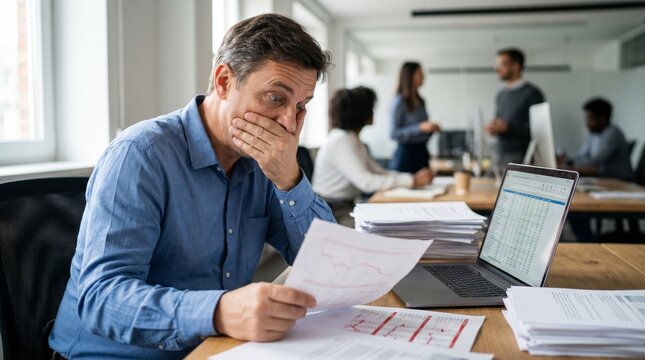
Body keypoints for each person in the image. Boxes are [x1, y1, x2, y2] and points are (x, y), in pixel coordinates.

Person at [48, 14, 334, 359]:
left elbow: (328, 267)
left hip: (214, 348)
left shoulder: (266, 164)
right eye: (276, 98)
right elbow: (102, 300)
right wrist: (221, 311)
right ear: (225, 81)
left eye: (301, 106)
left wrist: (290, 179)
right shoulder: (140, 154)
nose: (289, 122)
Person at [313, 86, 434, 226]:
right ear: (361, 112)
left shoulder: (352, 138)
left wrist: (412, 178)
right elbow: (366, 182)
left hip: (344, 205)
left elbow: (377, 171)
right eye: (371, 108)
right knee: (381, 228)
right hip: (331, 210)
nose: (373, 112)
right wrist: (412, 181)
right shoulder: (341, 140)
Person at [486, 48, 545, 170]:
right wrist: (494, 127)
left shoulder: (532, 93)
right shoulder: (501, 95)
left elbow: (539, 130)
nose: (497, 68)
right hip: (499, 153)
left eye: (502, 64)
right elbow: (499, 121)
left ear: (516, 66)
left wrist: (508, 128)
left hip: (520, 156)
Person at [389, 62, 441, 173]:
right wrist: (419, 128)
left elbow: (423, 130)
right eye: (420, 73)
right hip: (406, 155)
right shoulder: (399, 102)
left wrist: (430, 129)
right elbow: (393, 133)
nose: (423, 77)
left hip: (422, 153)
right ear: (410, 76)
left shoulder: (421, 101)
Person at [565, 97, 633, 181]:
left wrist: (569, 164)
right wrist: (568, 161)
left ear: (602, 118)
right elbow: (582, 155)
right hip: (603, 178)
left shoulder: (613, 133)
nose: (586, 122)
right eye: (586, 118)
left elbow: (595, 160)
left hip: (620, 180)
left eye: (590, 118)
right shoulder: (593, 134)